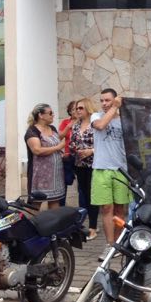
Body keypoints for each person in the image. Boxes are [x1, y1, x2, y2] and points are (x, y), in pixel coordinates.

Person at [91, 88, 132, 249]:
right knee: (106, 207)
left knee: (120, 208)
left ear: (115, 100)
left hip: (120, 169)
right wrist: (114, 107)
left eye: (107, 100)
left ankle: (118, 243)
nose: (104, 104)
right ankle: (109, 244)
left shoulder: (124, 120)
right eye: (101, 100)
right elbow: (100, 126)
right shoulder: (96, 116)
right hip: (101, 169)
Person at [24, 103, 67, 208]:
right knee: (35, 205)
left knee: (55, 202)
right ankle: (32, 224)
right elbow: (37, 150)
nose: (53, 115)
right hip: (39, 176)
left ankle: (54, 224)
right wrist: (58, 148)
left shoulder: (52, 128)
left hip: (55, 175)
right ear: (41, 115)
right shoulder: (32, 131)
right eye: (50, 113)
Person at [68, 97, 98, 239]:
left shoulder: (95, 124)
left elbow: (103, 144)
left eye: (80, 108)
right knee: (85, 194)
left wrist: (90, 151)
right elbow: (71, 143)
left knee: (93, 196)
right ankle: (87, 224)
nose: (77, 111)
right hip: (80, 164)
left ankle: (93, 227)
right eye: (76, 108)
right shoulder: (75, 125)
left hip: (94, 164)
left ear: (88, 108)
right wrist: (75, 149)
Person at [59, 100, 78, 190]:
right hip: (68, 155)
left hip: (81, 155)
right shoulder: (65, 122)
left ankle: (83, 204)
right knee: (65, 180)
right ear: (70, 112)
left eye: (78, 108)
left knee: (83, 183)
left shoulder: (84, 122)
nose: (76, 111)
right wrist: (68, 127)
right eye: (73, 109)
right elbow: (60, 137)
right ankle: (62, 204)